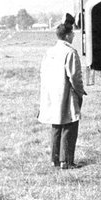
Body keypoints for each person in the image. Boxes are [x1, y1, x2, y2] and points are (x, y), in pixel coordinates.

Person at [38, 17, 86, 170]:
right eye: (72, 34)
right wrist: (80, 93)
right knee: (70, 126)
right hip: (67, 93)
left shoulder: (49, 51)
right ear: (67, 36)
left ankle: (55, 160)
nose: (73, 36)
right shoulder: (70, 52)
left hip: (51, 94)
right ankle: (67, 161)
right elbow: (75, 77)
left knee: (56, 126)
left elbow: (43, 73)